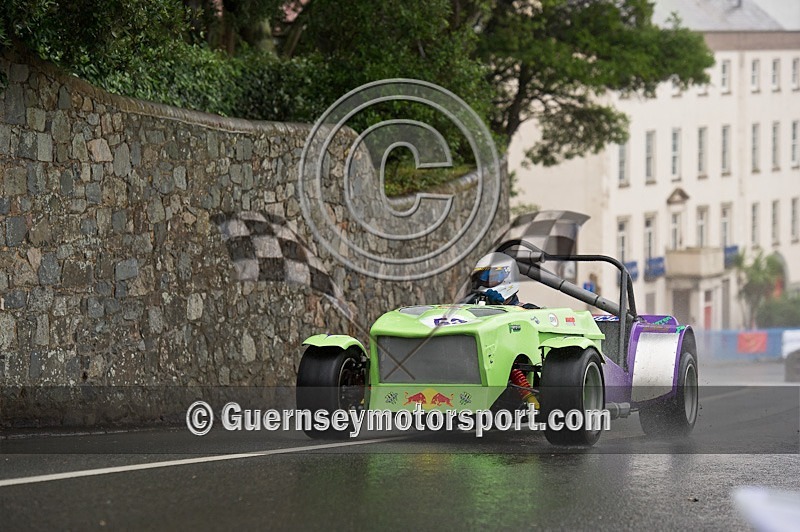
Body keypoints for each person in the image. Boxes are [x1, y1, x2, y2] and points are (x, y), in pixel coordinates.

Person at [469, 252, 538, 308]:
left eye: (492, 276)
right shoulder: (468, 306)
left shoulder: (526, 312)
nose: (485, 281)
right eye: (482, 276)